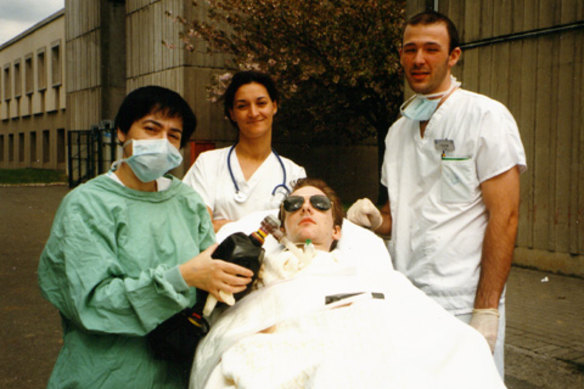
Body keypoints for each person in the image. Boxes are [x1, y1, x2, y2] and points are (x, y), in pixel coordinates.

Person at [189, 178, 505, 389]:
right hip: (302, 336)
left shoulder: (364, 266)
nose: (307, 208)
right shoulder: (263, 269)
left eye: (320, 204)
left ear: (337, 230)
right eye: (294, 205)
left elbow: (404, 305)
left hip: (371, 329)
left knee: (464, 346)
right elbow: (240, 320)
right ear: (282, 227)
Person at [347, 10, 526, 376]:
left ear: (453, 56)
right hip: (405, 297)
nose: (418, 59)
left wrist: (486, 310)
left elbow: (504, 217)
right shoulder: (399, 132)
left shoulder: (484, 116)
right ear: (400, 55)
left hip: (462, 302)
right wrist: (378, 220)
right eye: (409, 49)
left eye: (431, 49)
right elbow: (402, 215)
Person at [38, 85, 254, 389]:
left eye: (173, 135)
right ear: (122, 133)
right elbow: (90, 303)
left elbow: (211, 280)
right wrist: (182, 278)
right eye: (151, 129)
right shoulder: (87, 205)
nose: (162, 142)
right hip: (107, 372)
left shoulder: (186, 202)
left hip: (175, 371)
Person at [183, 70, 306, 232]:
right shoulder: (207, 163)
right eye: (242, 106)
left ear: (274, 106)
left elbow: (298, 231)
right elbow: (194, 227)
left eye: (261, 103)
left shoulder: (294, 173)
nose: (254, 113)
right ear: (232, 113)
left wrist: (225, 226)